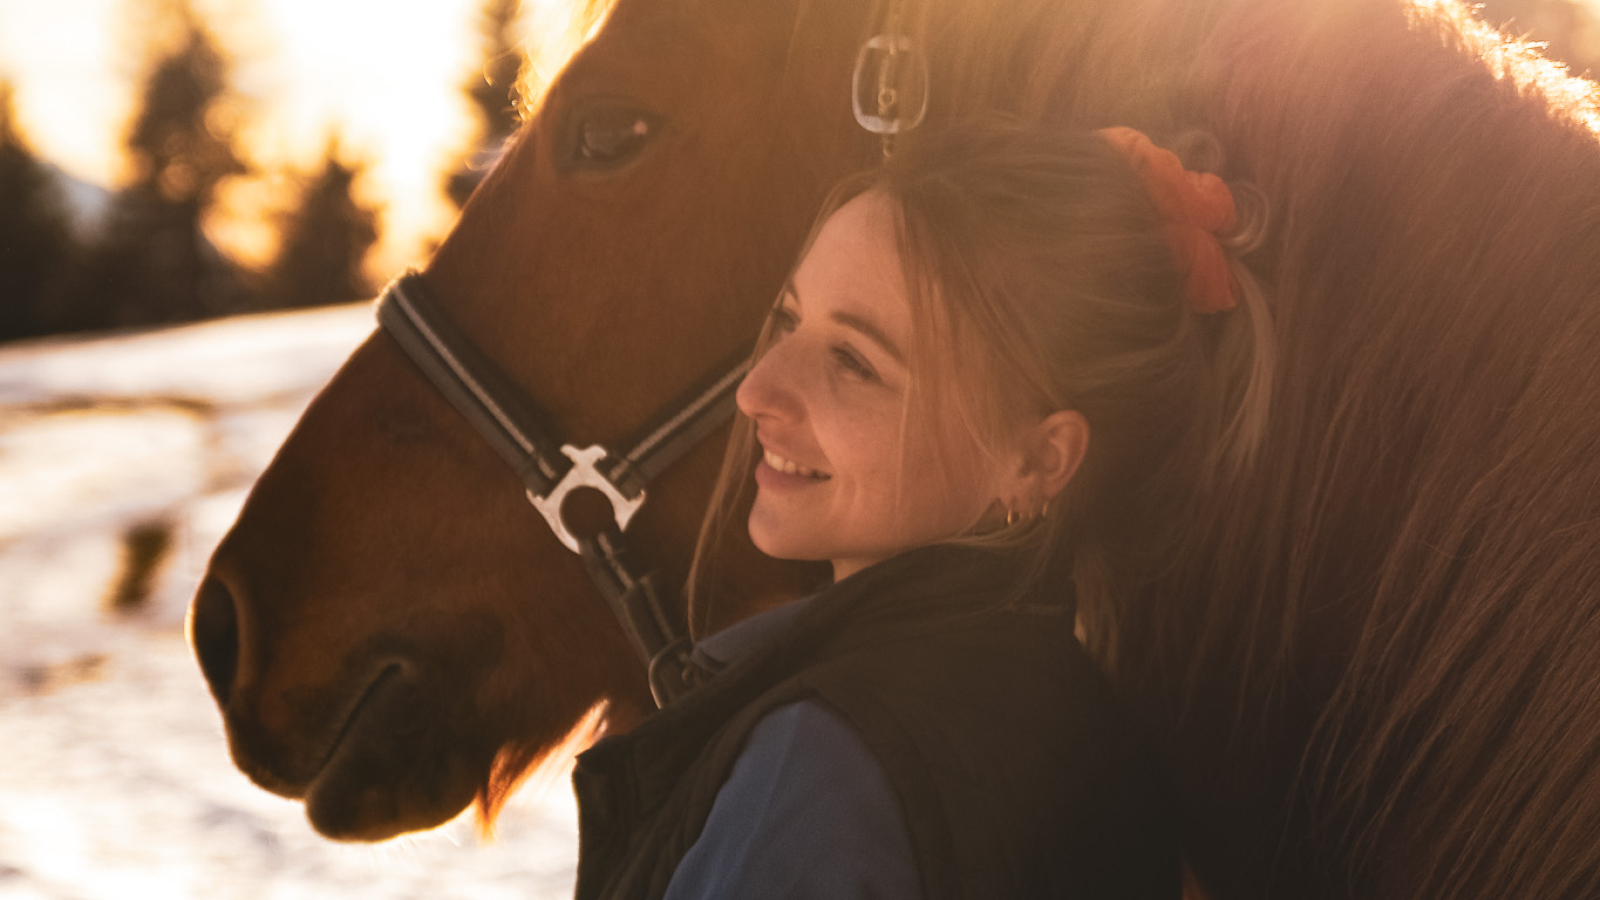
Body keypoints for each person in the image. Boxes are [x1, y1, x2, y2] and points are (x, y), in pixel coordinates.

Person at [570, 117, 1272, 900]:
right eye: (790, 321)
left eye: (854, 361)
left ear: (1038, 460)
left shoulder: (819, 768)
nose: (756, 390)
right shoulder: (1096, 733)